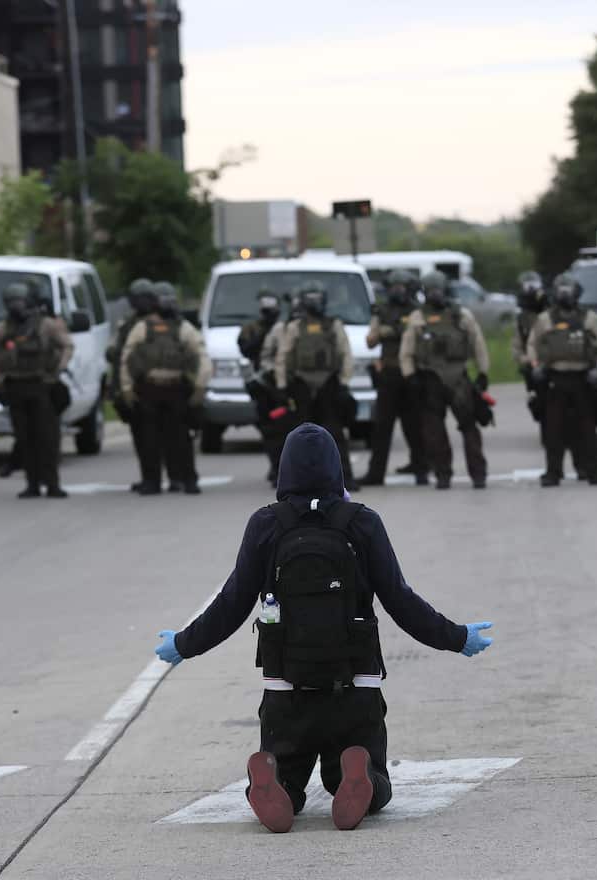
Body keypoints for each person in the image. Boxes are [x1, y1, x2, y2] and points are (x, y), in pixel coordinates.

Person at [152, 423, 494, 832]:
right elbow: (401, 601)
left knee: (287, 777)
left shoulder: (266, 525)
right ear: (337, 468)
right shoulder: (362, 523)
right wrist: (457, 637)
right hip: (355, 688)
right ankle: (361, 774)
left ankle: (275, 780)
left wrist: (184, 644)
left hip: (287, 689)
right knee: (372, 779)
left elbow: (231, 604)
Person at [399, 270, 490, 490]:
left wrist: (483, 372)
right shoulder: (418, 318)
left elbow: (478, 344)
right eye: (430, 291)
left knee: (469, 427)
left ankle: (478, 475)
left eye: (438, 290)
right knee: (433, 431)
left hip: (459, 376)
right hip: (430, 380)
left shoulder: (462, 315)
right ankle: (442, 474)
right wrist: (410, 376)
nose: (435, 295)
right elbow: (407, 352)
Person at [121, 283, 211, 494]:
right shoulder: (142, 328)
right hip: (148, 390)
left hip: (176, 389)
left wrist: (199, 387)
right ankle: (152, 481)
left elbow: (202, 358)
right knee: (149, 439)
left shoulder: (184, 328)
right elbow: (127, 358)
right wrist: (127, 388)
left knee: (181, 438)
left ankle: (186, 479)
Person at [0, 282, 73, 499]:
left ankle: (52, 483)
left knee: (48, 438)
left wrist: (59, 369)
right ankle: (32, 483)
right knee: (25, 438)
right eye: (11, 302)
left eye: (20, 301)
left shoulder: (46, 325)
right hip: (16, 386)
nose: (16, 307)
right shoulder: (2, 329)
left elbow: (67, 345)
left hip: (42, 385)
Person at [275, 281, 359, 493]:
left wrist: (344, 383)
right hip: (301, 385)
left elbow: (345, 354)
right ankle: (294, 484)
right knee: (297, 438)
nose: (314, 303)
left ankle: (345, 479)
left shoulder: (334, 325)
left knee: (336, 435)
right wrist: (283, 386)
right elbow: (283, 357)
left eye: (317, 298)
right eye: (310, 298)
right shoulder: (295, 327)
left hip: (329, 385)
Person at [527, 273, 597, 486]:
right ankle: (553, 473)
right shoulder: (545, 318)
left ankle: (594, 473)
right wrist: (536, 366)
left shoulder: (588, 317)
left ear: (577, 292)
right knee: (553, 429)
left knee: (587, 429)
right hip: (556, 379)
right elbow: (533, 344)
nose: (565, 294)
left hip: (582, 378)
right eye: (561, 289)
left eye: (569, 289)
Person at [362, 270, 427, 486]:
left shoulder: (417, 311)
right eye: (394, 287)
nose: (397, 291)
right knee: (382, 427)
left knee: (414, 425)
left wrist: (390, 331)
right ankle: (375, 473)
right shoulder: (382, 311)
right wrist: (388, 331)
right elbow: (370, 340)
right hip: (389, 374)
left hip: (411, 374)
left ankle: (421, 469)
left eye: (401, 287)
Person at [106, 278, 155, 491]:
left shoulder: (157, 323)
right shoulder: (128, 323)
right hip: (131, 386)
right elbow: (118, 355)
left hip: (151, 387)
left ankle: (155, 479)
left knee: (151, 436)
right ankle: (148, 477)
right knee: (140, 436)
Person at [239, 289, 290, 483]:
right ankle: (276, 467)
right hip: (263, 384)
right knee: (268, 428)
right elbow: (245, 349)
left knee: (286, 428)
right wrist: (263, 333)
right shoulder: (252, 328)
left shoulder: (286, 327)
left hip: (284, 384)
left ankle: (284, 468)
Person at [514, 270, 550, 446]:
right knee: (540, 403)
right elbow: (517, 344)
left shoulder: (552, 311)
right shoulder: (523, 318)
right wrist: (524, 360)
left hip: (555, 362)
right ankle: (549, 436)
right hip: (534, 365)